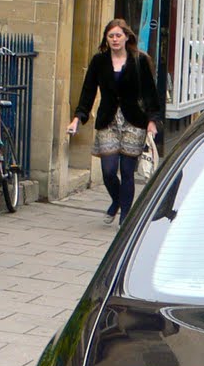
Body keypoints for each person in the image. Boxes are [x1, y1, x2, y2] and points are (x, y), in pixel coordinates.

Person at [67, 18, 161, 225]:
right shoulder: (98, 62)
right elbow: (88, 91)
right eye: (111, 36)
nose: (115, 39)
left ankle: (125, 217)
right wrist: (77, 118)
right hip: (108, 121)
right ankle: (117, 200)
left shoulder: (139, 61)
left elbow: (149, 94)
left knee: (127, 172)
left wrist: (152, 121)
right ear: (106, 39)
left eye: (119, 35)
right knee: (109, 171)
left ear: (127, 37)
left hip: (133, 122)